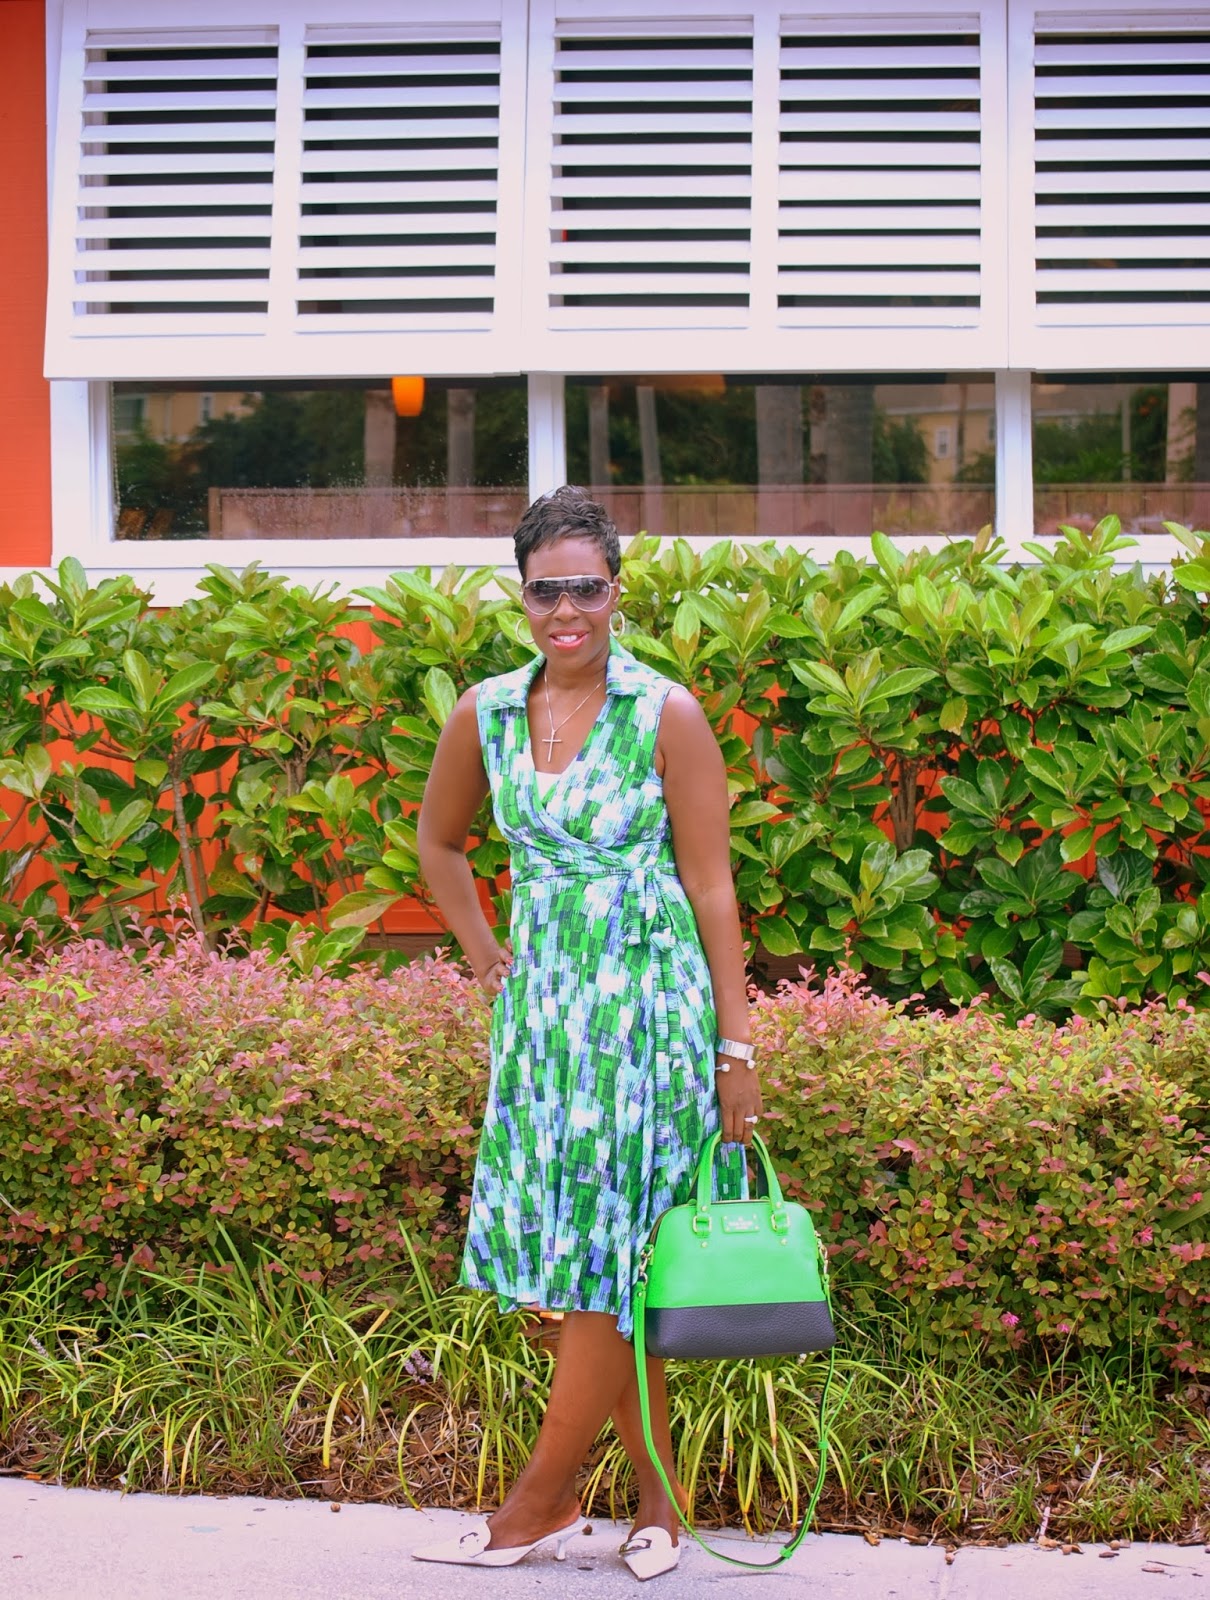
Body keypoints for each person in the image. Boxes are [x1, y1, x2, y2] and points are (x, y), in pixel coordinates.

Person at [413, 486, 761, 1579]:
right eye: (545, 590)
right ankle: (658, 1505)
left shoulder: (665, 713)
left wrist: (736, 1045)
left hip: (648, 1017)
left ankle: (536, 1504)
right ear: (520, 596)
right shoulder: (486, 711)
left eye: (587, 587)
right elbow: (438, 843)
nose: (566, 609)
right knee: (566, 1269)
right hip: (544, 1023)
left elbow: (712, 885)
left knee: (612, 1261)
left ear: (617, 590)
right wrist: (484, 952)